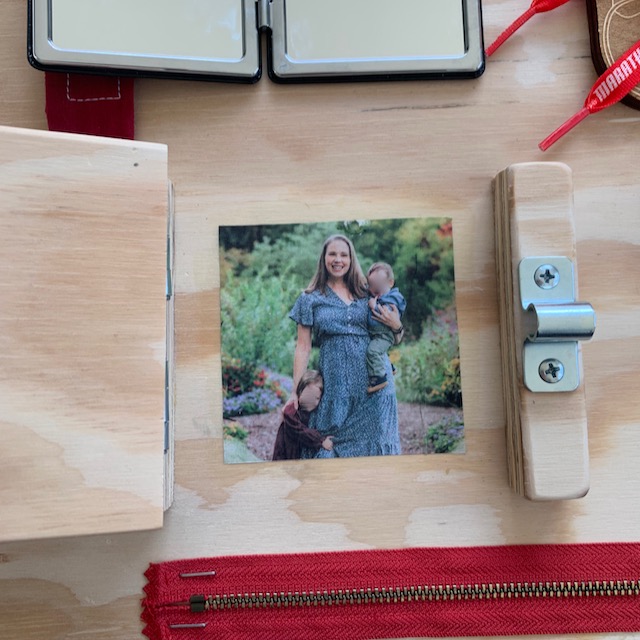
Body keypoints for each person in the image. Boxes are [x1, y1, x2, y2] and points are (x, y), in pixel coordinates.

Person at [288, 234, 404, 458]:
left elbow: (392, 334)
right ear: (324, 258)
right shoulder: (309, 298)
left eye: (344, 254)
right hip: (335, 386)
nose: (338, 259)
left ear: (351, 260)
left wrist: (397, 327)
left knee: (377, 446)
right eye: (332, 254)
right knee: (328, 448)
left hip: (375, 386)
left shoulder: (366, 292)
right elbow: (303, 347)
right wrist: (295, 390)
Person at [272, 370, 334, 460]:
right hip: (285, 454)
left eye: (317, 398)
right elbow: (300, 430)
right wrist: (321, 440)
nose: (315, 403)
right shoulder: (292, 410)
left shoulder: (316, 414)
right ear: (300, 392)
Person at [365, 262, 406, 394]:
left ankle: (379, 378)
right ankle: (388, 366)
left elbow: (387, 313)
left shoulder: (394, 297)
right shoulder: (376, 295)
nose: (375, 290)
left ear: (390, 283)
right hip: (377, 334)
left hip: (384, 335)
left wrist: (373, 306)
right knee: (377, 350)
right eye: (372, 285)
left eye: (379, 286)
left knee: (373, 351)